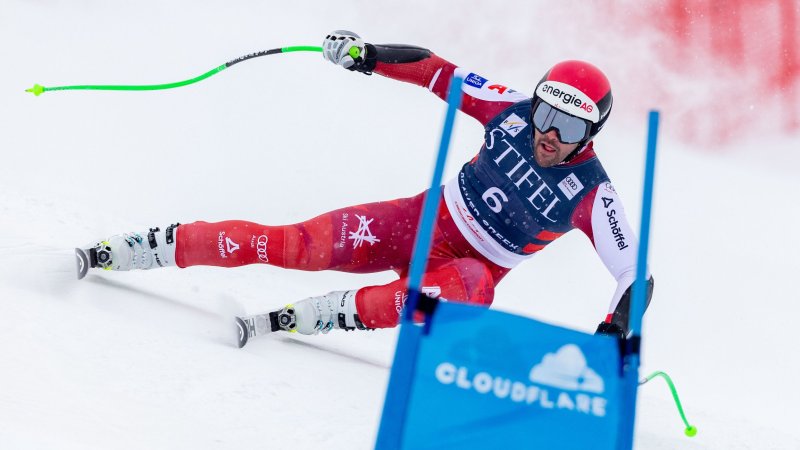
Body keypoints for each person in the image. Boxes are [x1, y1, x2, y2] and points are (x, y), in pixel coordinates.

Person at [80, 30, 653, 340]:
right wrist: (368, 55)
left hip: (467, 274)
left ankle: (324, 314)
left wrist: (611, 334)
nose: (548, 133)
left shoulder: (592, 192)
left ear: (591, 133)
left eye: (569, 127)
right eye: (546, 114)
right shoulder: (511, 108)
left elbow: (636, 273)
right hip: (418, 222)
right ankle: (145, 247)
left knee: (473, 286)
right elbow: (437, 71)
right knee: (293, 245)